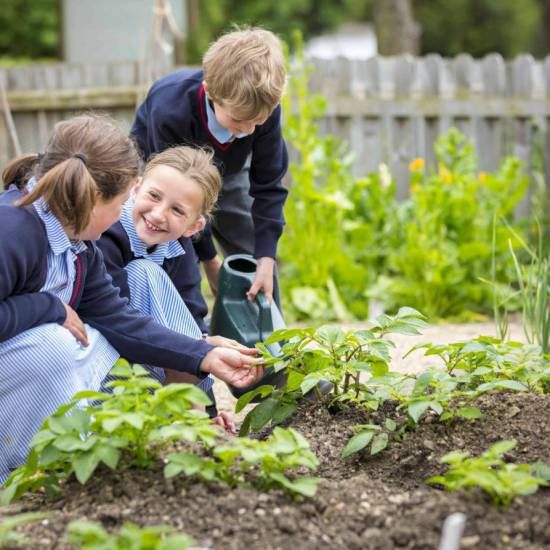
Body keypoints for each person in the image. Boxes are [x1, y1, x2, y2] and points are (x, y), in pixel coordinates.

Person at [0, 114, 263, 482]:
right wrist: (46, 307)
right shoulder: (13, 230)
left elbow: (119, 321)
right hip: (21, 378)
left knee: (104, 350)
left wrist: (204, 355)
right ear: (95, 199)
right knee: (56, 344)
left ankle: (98, 453)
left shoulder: (79, 245)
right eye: (123, 201)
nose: (122, 215)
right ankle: (24, 474)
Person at [131, 27, 288, 306]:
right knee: (179, 250)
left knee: (255, 254)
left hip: (228, 172)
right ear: (211, 93)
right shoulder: (171, 108)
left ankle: (269, 337)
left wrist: (266, 258)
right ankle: (191, 332)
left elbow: (269, 186)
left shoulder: (263, 110)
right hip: (169, 178)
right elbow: (178, 194)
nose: (250, 130)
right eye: (239, 122)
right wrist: (209, 259)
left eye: (258, 122)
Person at [98, 145, 238, 432]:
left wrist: (208, 405)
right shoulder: (107, 231)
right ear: (136, 188)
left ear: (193, 226)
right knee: (143, 272)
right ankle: (188, 417)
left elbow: (189, 318)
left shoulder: (178, 247)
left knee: (199, 333)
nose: (159, 215)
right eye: (154, 196)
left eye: (177, 210)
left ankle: (190, 414)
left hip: (147, 359)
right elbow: (114, 321)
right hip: (107, 357)